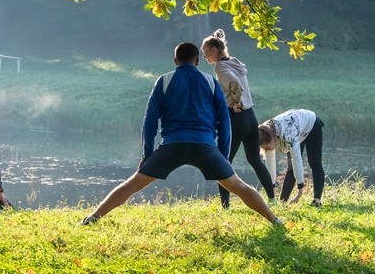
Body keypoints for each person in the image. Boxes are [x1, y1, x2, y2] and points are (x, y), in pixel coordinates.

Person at [81, 43, 282, 227]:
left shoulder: (164, 81)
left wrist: (147, 154)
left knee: (133, 183)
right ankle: (274, 220)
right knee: (239, 186)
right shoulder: (211, 82)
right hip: (205, 147)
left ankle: (93, 218)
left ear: (176, 61)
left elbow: (150, 122)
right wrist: (223, 155)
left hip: (172, 146)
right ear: (196, 61)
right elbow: (224, 123)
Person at [201, 29, 276, 206]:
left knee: (223, 161)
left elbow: (235, 85)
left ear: (213, 50)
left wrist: (237, 103)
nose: (205, 57)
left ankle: (225, 206)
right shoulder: (234, 62)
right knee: (255, 160)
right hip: (251, 118)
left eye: (205, 52)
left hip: (237, 118)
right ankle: (272, 199)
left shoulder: (220, 66)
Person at [258, 109, 325, 207]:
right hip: (296, 128)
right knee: (291, 169)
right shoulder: (264, 132)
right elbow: (270, 162)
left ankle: (316, 201)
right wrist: (271, 190)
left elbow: (296, 159)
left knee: (315, 163)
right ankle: (282, 202)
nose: (267, 150)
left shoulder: (288, 136)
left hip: (311, 124)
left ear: (273, 139)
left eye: (268, 147)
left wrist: (300, 191)